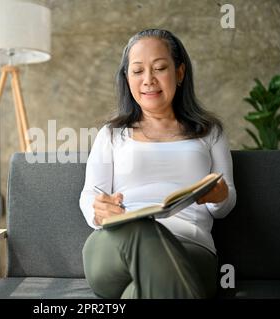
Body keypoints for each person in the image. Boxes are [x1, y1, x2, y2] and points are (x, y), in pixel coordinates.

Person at [79, 29, 237, 299]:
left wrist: (220, 195)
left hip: (190, 247)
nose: (148, 80)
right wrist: (99, 210)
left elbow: (224, 204)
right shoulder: (112, 134)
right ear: (127, 78)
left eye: (160, 68)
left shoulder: (210, 132)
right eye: (138, 71)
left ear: (179, 72)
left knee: (141, 292)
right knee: (142, 227)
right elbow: (90, 195)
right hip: (115, 246)